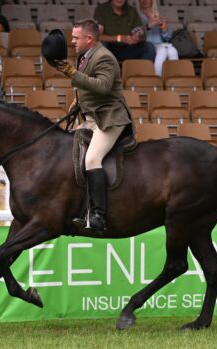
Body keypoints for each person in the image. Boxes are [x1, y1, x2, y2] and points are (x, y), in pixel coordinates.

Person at [53, 18, 134, 235]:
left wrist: (72, 74)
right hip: (90, 118)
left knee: (91, 159)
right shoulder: (84, 56)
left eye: (75, 38)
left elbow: (103, 87)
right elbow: (84, 89)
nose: (72, 41)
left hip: (109, 119)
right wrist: (75, 105)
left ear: (89, 39)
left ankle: (98, 215)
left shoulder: (105, 57)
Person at [137, 0, 177, 76]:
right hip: (147, 45)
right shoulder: (136, 16)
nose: (144, 1)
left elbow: (167, 37)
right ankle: (157, 79)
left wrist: (164, 28)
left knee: (173, 50)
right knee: (162, 51)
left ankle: (173, 80)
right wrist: (149, 25)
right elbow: (135, 33)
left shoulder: (158, 15)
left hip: (160, 44)